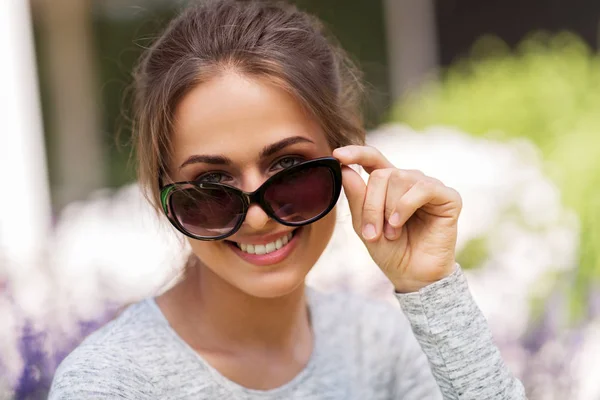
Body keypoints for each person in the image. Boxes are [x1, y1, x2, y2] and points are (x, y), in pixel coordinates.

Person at [49, 0, 527, 398]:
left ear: (346, 155)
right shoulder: (110, 384)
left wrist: (432, 289)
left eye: (288, 167)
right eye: (213, 183)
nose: (257, 218)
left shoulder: (379, 348)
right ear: (162, 194)